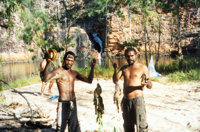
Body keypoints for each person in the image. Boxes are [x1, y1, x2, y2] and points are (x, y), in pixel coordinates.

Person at [42, 51, 96, 132]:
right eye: (67, 60)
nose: (69, 62)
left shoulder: (74, 73)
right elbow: (45, 78)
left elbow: (89, 80)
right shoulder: (59, 71)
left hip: (73, 103)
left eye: (71, 61)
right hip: (63, 103)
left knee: (74, 128)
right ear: (64, 60)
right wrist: (48, 63)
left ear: (73, 62)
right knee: (60, 128)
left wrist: (92, 67)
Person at [112, 48, 152, 132]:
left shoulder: (142, 68)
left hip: (138, 100)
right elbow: (115, 80)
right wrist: (115, 69)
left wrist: (148, 83)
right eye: (127, 56)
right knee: (128, 126)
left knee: (142, 125)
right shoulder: (124, 68)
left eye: (132, 56)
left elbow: (149, 85)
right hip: (126, 100)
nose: (130, 58)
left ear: (136, 56)